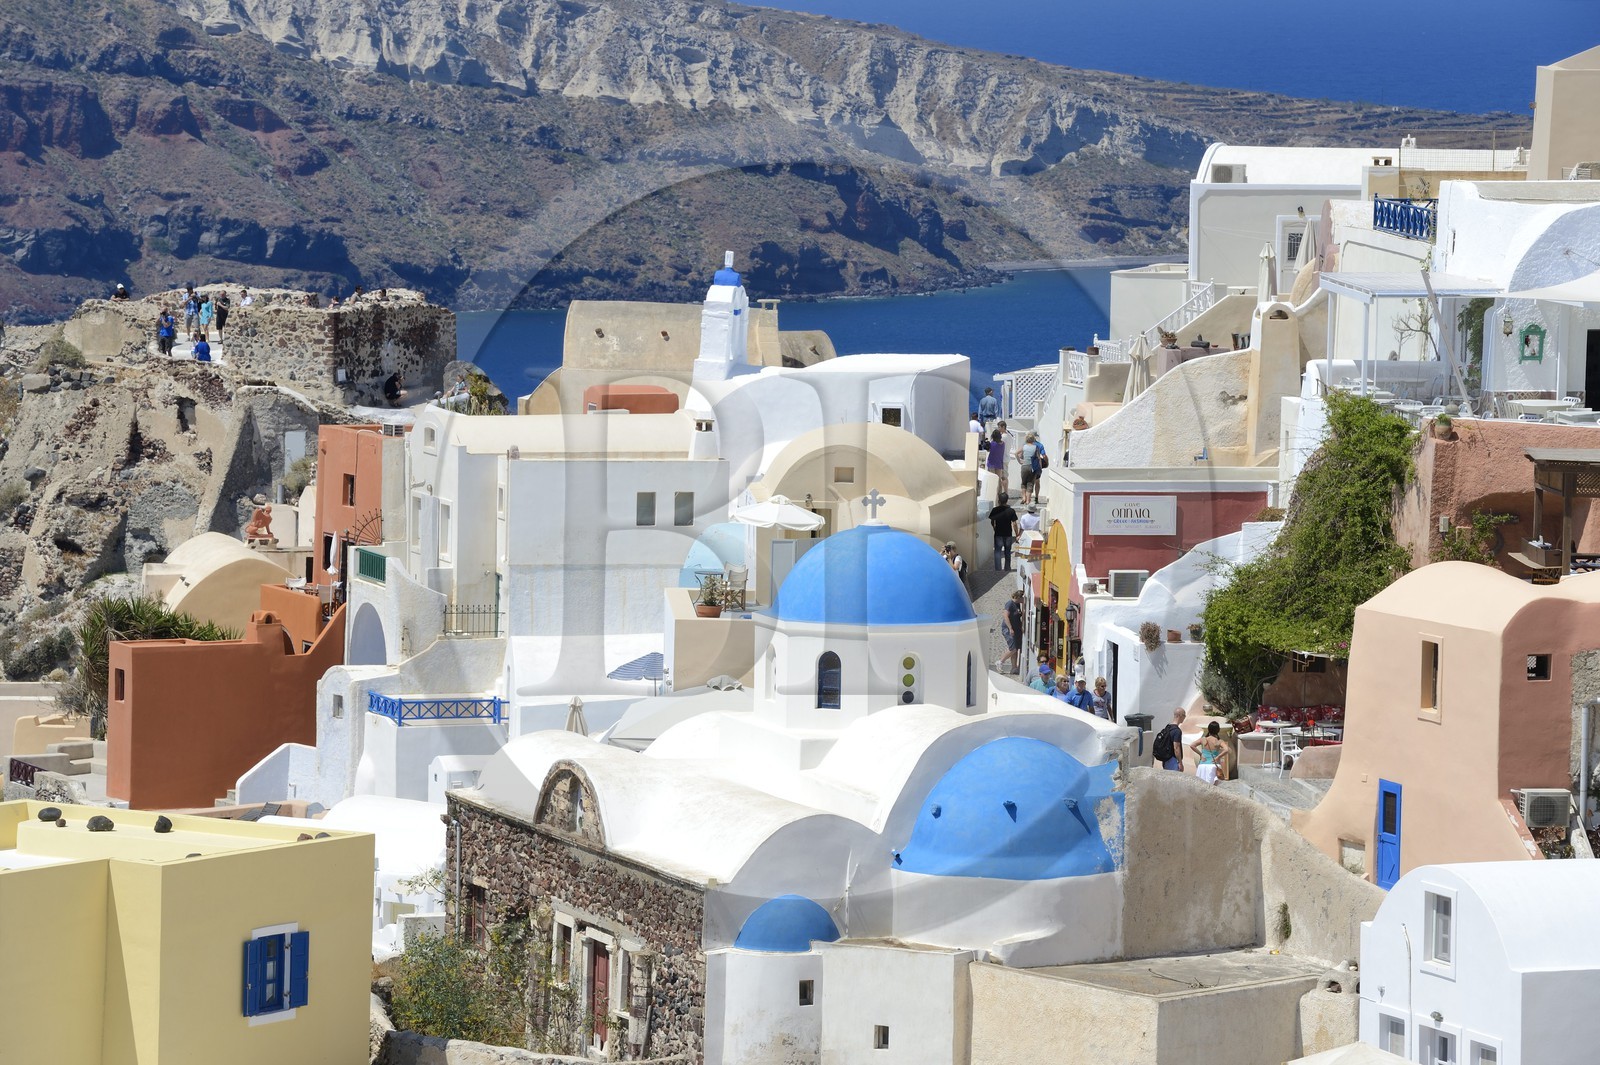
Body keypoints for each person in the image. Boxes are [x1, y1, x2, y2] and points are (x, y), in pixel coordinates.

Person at [989, 491, 1019, 571]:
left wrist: (994, 528)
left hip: (998, 533)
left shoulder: (995, 510)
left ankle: (998, 569)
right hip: (1008, 534)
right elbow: (1014, 524)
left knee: (998, 551)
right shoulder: (1011, 511)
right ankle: (1007, 567)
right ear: (1007, 500)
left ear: (999, 500)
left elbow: (992, 521)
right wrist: (1017, 534)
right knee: (1007, 552)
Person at [999, 590, 1023, 674]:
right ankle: (1000, 662)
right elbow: (1005, 616)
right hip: (1008, 629)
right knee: (1013, 648)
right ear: (1019, 597)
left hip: (1016, 629)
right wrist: (1010, 628)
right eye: (1022, 598)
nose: (1024, 600)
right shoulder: (1010, 604)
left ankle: (1014, 668)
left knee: (1015, 648)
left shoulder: (1017, 604)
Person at [1016, 431, 1042, 505]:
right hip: (1032, 467)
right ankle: (1028, 500)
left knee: (1023, 483)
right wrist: (1039, 467)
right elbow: (1038, 458)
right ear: (1033, 439)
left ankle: (1023, 497)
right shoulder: (1036, 447)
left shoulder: (1024, 447)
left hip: (1024, 466)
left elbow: (1016, 453)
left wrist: (1019, 461)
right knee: (1030, 484)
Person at [986, 428, 1006, 499]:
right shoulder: (1003, 444)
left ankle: (991, 495)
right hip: (999, 464)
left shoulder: (992, 444)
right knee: (998, 481)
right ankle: (999, 495)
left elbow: (988, 449)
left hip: (991, 463)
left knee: (992, 480)